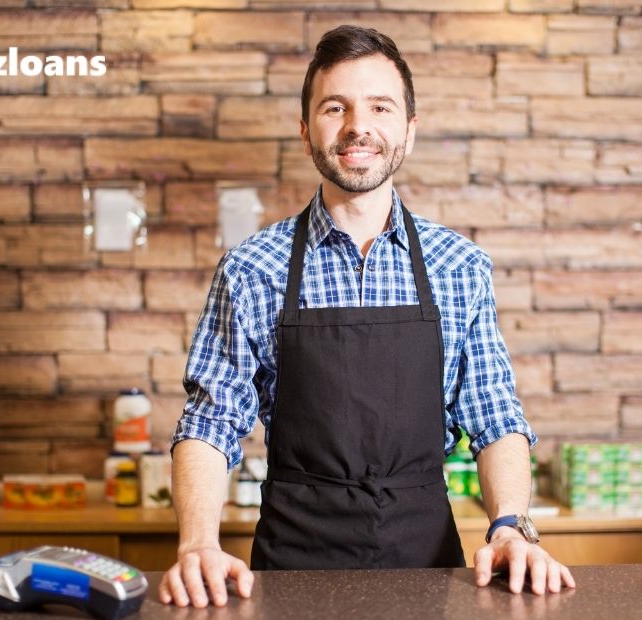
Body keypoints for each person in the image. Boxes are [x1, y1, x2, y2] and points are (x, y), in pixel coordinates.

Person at [159, 25, 576, 608]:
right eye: (336, 107)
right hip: (291, 572)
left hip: (428, 568)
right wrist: (197, 543)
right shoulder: (251, 269)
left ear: (409, 128)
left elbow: (494, 414)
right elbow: (210, 422)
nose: (359, 126)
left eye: (380, 106)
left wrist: (510, 524)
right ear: (306, 129)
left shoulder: (460, 265)